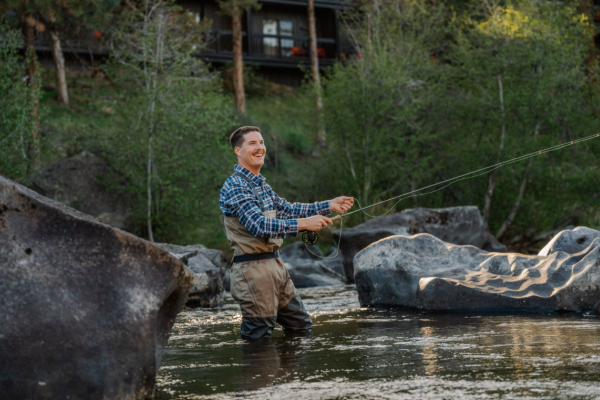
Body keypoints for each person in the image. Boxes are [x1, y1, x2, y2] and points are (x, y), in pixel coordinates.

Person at [219, 126, 354, 339]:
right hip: (252, 271)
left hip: (276, 267)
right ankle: (259, 373)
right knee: (258, 338)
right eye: (252, 143)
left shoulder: (261, 185)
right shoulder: (236, 185)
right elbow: (259, 225)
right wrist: (304, 224)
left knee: (301, 327)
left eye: (261, 142)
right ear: (238, 150)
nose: (260, 147)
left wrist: (329, 204)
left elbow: (288, 210)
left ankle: (290, 374)